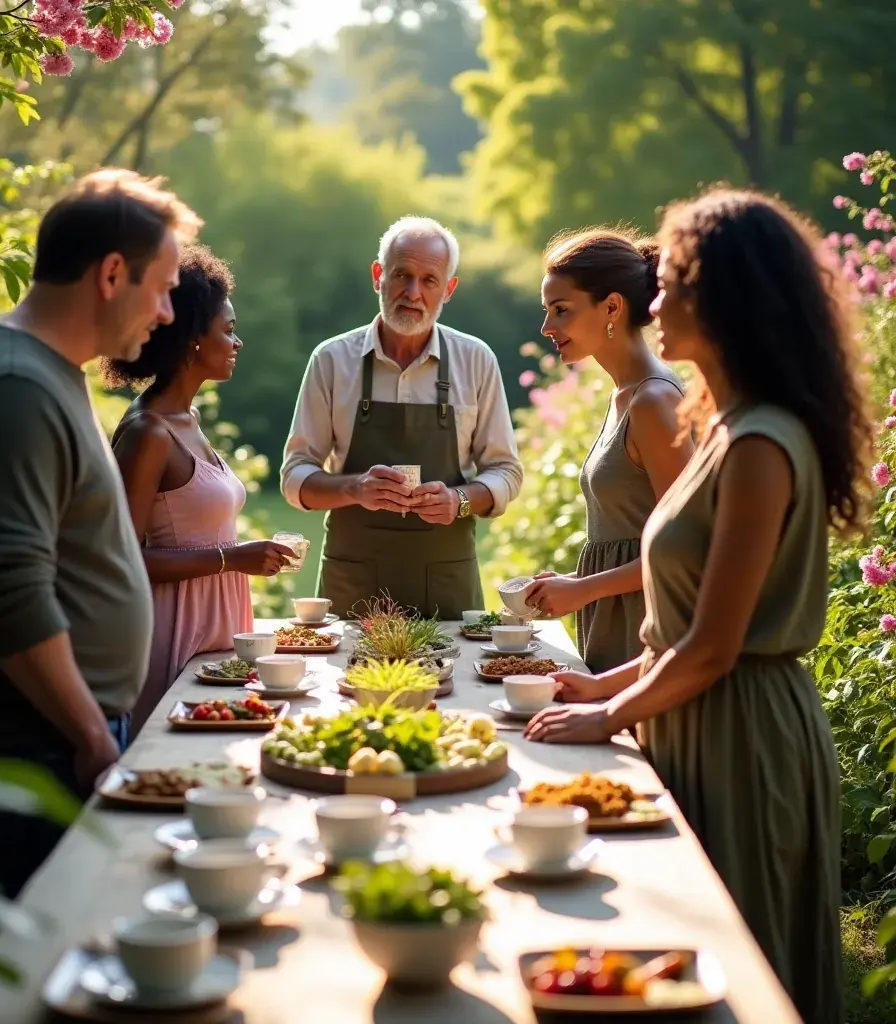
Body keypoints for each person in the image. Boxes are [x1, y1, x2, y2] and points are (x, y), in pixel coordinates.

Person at [526, 188, 871, 1024]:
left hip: (744, 734)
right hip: (694, 718)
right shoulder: (726, 428)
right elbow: (685, 629)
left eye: (673, 281)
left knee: (746, 979)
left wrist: (605, 719)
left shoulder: (759, 443)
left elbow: (716, 646)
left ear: (724, 299)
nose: (656, 299)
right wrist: (604, 685)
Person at [0, 169, 201, 902]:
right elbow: (5, 587)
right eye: (163, 287)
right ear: (112, 274)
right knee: (16, 981)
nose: (170, 314)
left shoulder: (52, 375)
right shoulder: (15, 389)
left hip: (53, 735)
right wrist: (88, 734)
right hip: (28, 747)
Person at [280, 216, 523, 619]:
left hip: (447, 586)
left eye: (429, 280)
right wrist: (355, 488)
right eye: (401, 275)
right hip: (352, 587)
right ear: (378, 276)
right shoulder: (332, 360)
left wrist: (459, 500)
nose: (413, 293)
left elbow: (505, 472)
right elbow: (295, 478)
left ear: (449, 289)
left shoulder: (475, 360)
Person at [102, 244, 294, 736]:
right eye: (227, 330)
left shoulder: (188, 419)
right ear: (191, 339)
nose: (238, 342)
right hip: (174, 637)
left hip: (217, 628)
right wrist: (235, 558)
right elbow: (121, 562)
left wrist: (246, 555)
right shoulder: (148, 434)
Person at [524, 231, 694, 673]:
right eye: (547, 311)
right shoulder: (625, 394)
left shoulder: (654, 402)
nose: (547, 328)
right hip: (613, 622)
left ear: (612, 307)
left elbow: (688, 547)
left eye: (561, 311)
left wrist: (583, 589)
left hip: (646, 632)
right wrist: (573, 583)